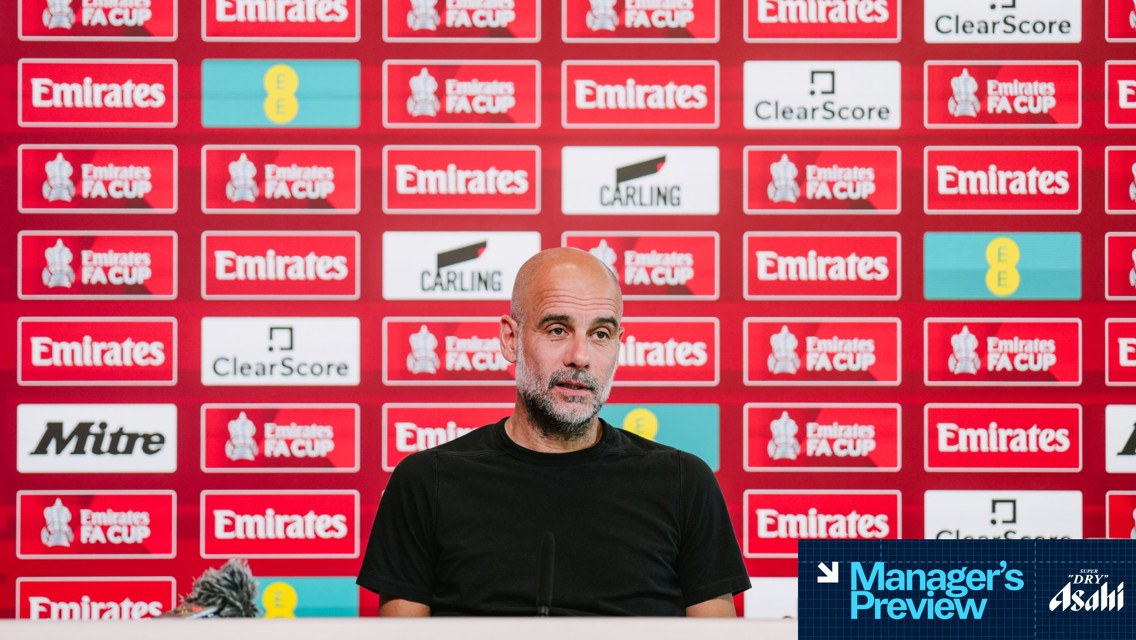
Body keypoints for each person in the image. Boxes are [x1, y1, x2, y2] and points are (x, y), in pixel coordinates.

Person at [357, 247, 750, 616]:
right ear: (510, 339)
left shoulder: (684, 483)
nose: (580, 357)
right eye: (558, 329)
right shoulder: (427, 482)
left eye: (600, 334)